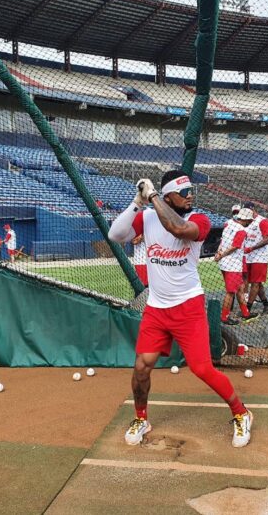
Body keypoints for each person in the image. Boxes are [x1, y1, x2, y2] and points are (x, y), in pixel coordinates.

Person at [108, 170, 254, 448]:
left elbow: (178, 229)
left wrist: (152, 196)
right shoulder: (147, 217)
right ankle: (141, 418)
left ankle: (241, 413)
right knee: (141, 367)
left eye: (190, 191)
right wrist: (138, 203)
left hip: (188, 306)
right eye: (184, 192)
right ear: (168, 197)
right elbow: (115, 235)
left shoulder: (198, 220)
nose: (190, 196)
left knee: (202, 369)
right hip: (157, 308)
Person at [215, 208, 260, 325]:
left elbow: (222, 241)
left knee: (240, 288)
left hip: (226, 262)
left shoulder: (229, 224)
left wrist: (218, 253)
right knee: (230, 292)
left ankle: (246, 313)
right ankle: (224, 317)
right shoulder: (241, 230)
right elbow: (235, 246)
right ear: (246, 220)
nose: (251, 222)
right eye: (250, 220)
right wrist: (221, 255)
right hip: (233, 264)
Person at [243, 202, 268, 315]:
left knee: (255, 283)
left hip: (259, 257)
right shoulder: (246, 221)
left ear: (253, 210)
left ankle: (248, 309)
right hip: (249, 256)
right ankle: (266, 305)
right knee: (256, 283)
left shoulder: (262, 221)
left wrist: (252, 248)